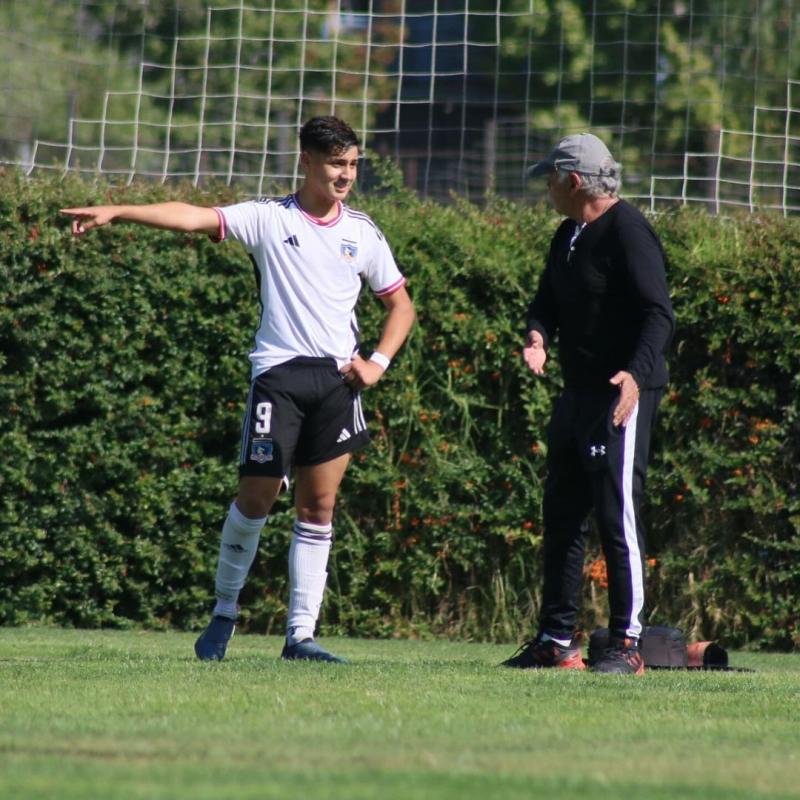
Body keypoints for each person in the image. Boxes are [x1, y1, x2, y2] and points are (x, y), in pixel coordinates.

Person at [62, 116, 415, 663]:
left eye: (352, 164)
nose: (346, 175)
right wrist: (118, 211)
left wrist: (378, 362)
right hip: (279, 378)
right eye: (335, 163)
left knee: (319, 505)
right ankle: (225, 611)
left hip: (337, 383)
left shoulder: (363, 232)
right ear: (306, 161)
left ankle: (301, 637)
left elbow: (400, 305)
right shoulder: (268, 218)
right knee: (258, 498)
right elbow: (191, 218)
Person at [502, 133, 674, 675]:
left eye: (550, 178)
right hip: (576, 396)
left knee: (615, 516)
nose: (546, 188)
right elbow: (546, 301)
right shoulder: (567, 234)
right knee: (562, 515)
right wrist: (537, 336)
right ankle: (556, 640)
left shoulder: (629, 232)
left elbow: (658, 314)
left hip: (623, 395)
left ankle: (628, 643)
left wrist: (635, 377)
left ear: (574, 182)